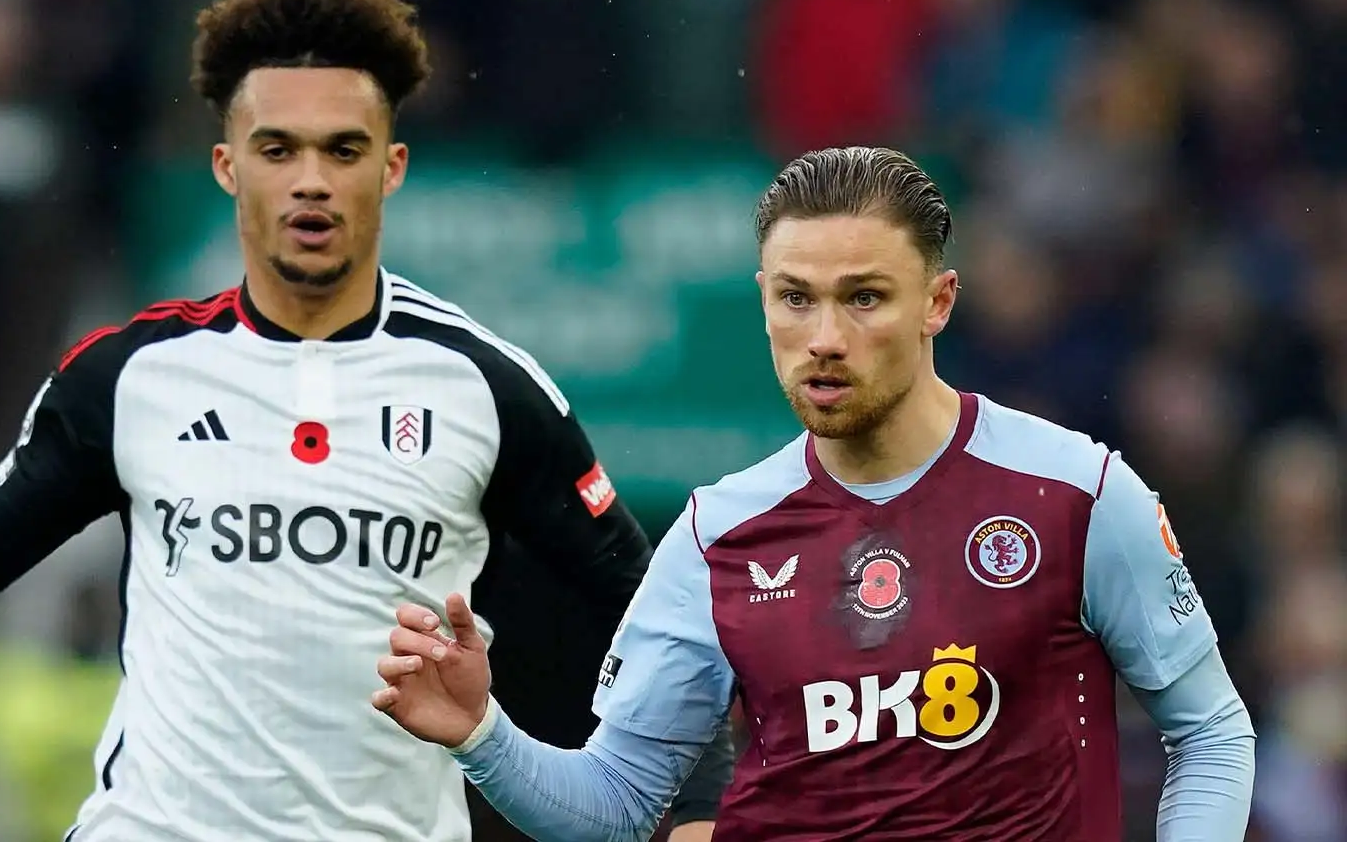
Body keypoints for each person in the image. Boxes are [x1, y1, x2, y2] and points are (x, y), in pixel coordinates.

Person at [0, 0, 733, 842]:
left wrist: (699, 801)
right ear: (228, 166)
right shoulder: (131, 375)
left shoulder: (485, 386)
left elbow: (641, 612)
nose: (310, 180)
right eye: (277, 147)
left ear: (390, 168)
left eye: (344, 149)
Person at [371, 146, 1259, 841]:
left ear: (938, 301)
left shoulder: (1076, 494)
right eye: (796, 299)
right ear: (763, 299)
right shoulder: (715, 538)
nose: (824, 337)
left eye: (864, 298)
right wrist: (482, 734)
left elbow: (1212, 733)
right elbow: (617, 804)